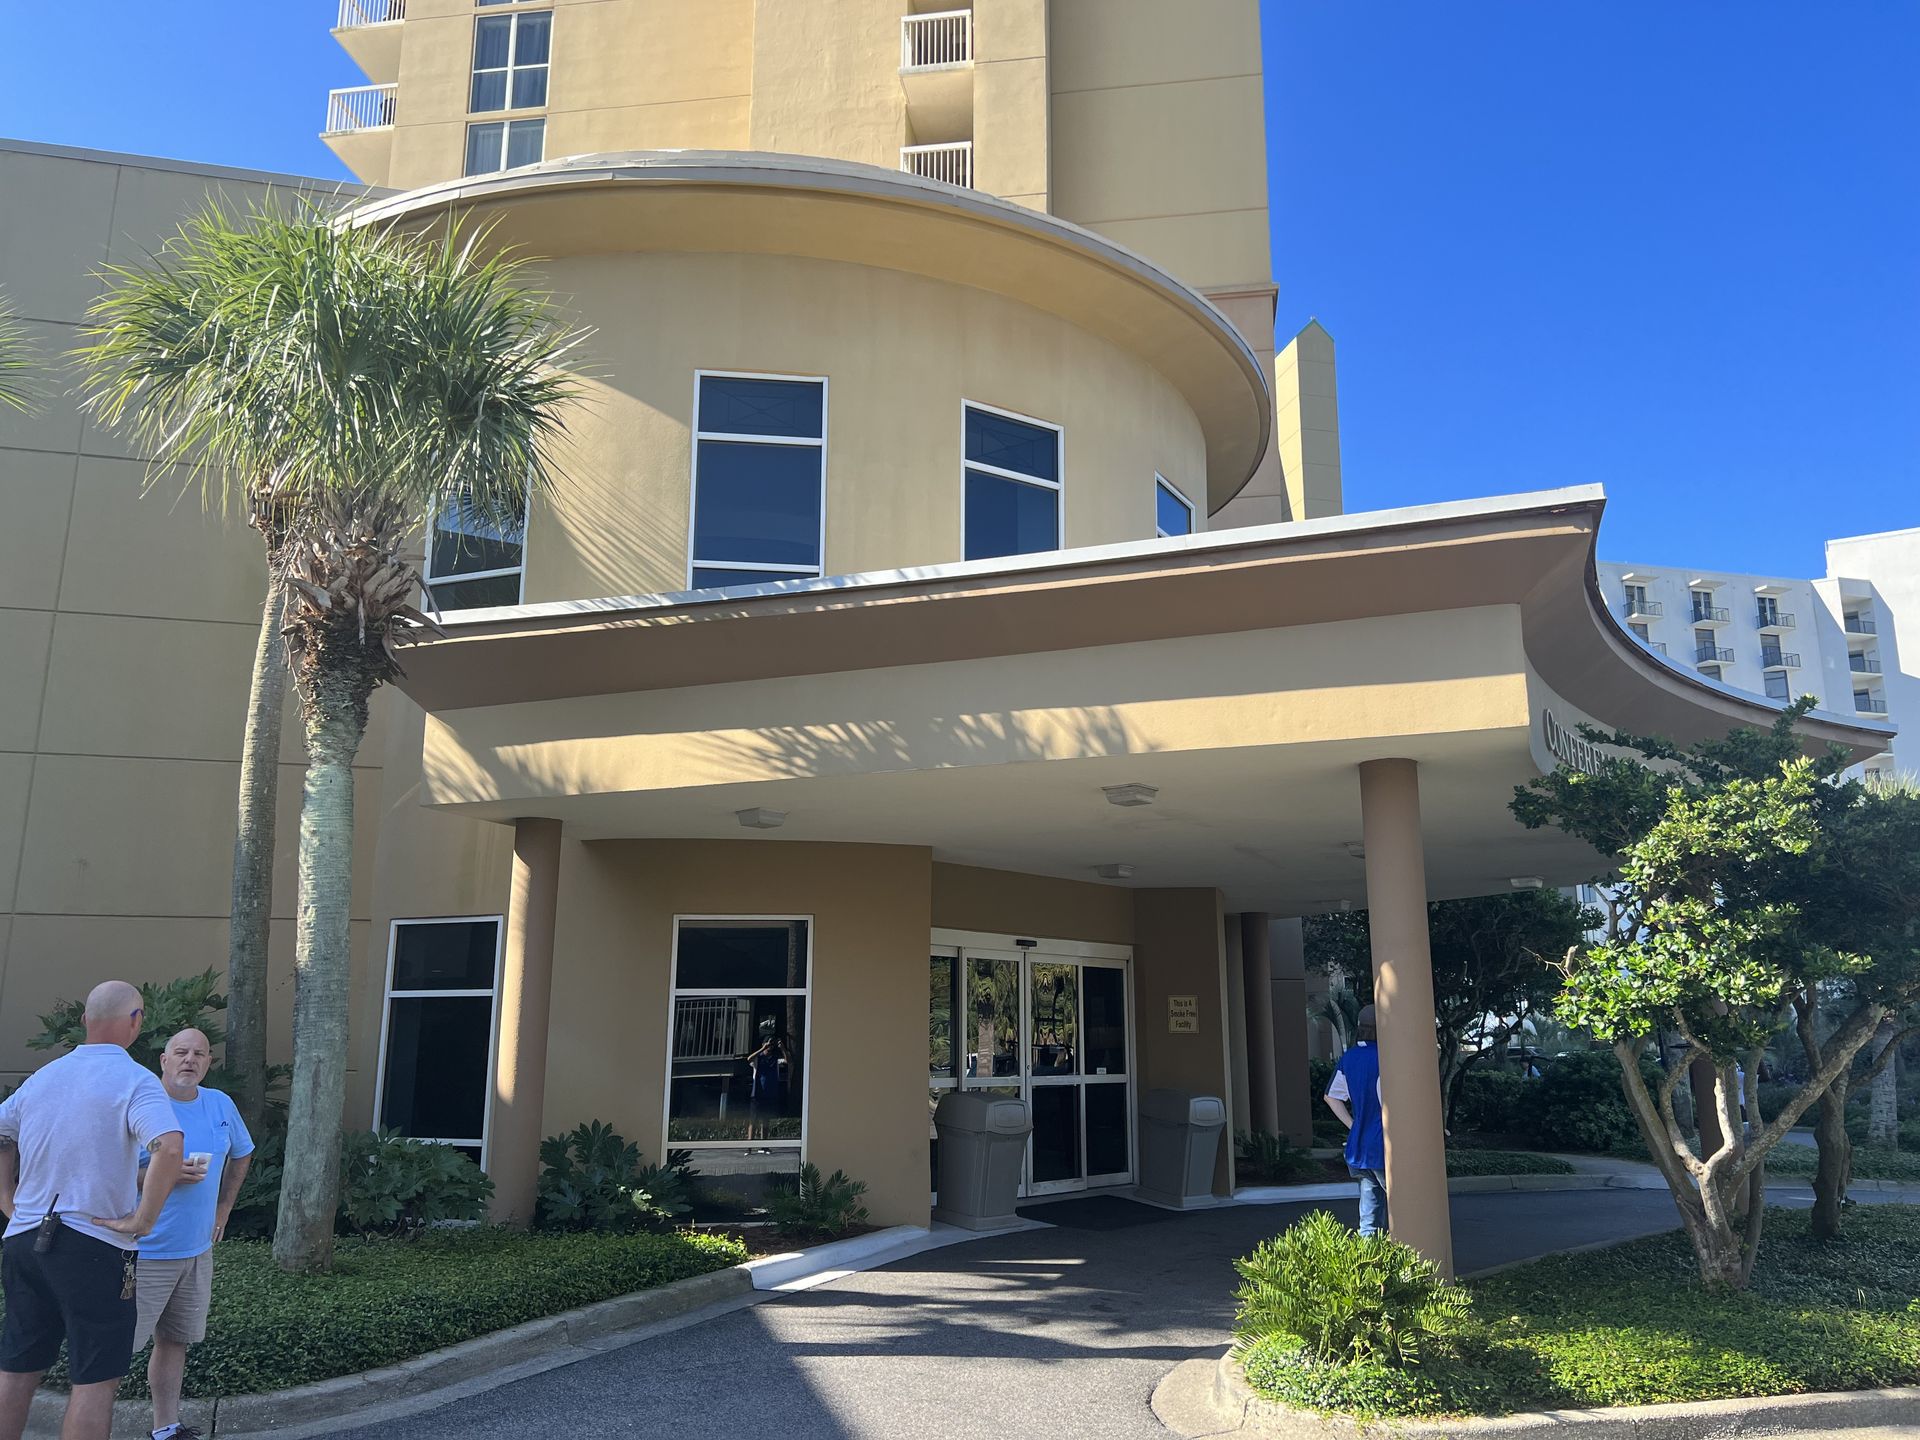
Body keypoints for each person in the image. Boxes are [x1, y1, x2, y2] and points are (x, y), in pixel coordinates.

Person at [0, 981, 185, 1440]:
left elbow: (2, 1134)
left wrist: (8, 1201)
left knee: (16, 1367)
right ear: (136, 1022)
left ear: (85, 1021)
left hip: (24, 1240)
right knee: (95, 1380)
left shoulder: (43, 1076)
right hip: (94, 1245)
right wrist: (143, 1220)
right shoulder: (136, 1080)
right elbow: (169, 1146)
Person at [133, 1029, 254, 1440]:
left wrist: (224, 1207)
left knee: (174, 1342)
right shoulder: (142, 1106)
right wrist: (160, 1174)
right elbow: (108, 1174)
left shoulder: (219, 1104)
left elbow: (243, 1152)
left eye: (199, 1054)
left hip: (196, 1251)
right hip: (141, 1253)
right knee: (112, 1351)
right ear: (163, 1061)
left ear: (207, 1063)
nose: (190, 1060)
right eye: (181, 1053)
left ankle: (165, 1429)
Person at [1322, 1002, 1387, 1237]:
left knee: (1368, 1220)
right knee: (1404, 1209)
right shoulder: (1387, 1057)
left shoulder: (1350, 1057)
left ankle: (1368, 1267)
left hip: (1358, 1147)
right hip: (1384, 1146)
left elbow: (1330, 1097)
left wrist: (1353, 1125)